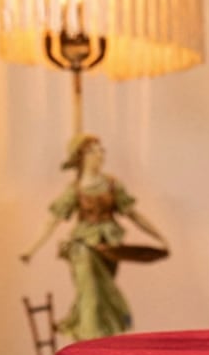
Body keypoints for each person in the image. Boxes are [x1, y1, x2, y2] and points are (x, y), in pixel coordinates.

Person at [20, 134, 168, 341]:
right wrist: (31, 249)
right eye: (92, 151)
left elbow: (134, 215)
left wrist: (159, 236)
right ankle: (89, 339)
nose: (99, 155)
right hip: (83, 247)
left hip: (109, 248)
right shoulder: (75, 189)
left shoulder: (112, 185)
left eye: (101, 150)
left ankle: (99, 339)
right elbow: (52, 221)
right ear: (81, 157)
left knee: (104, 293)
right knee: (90, 292)